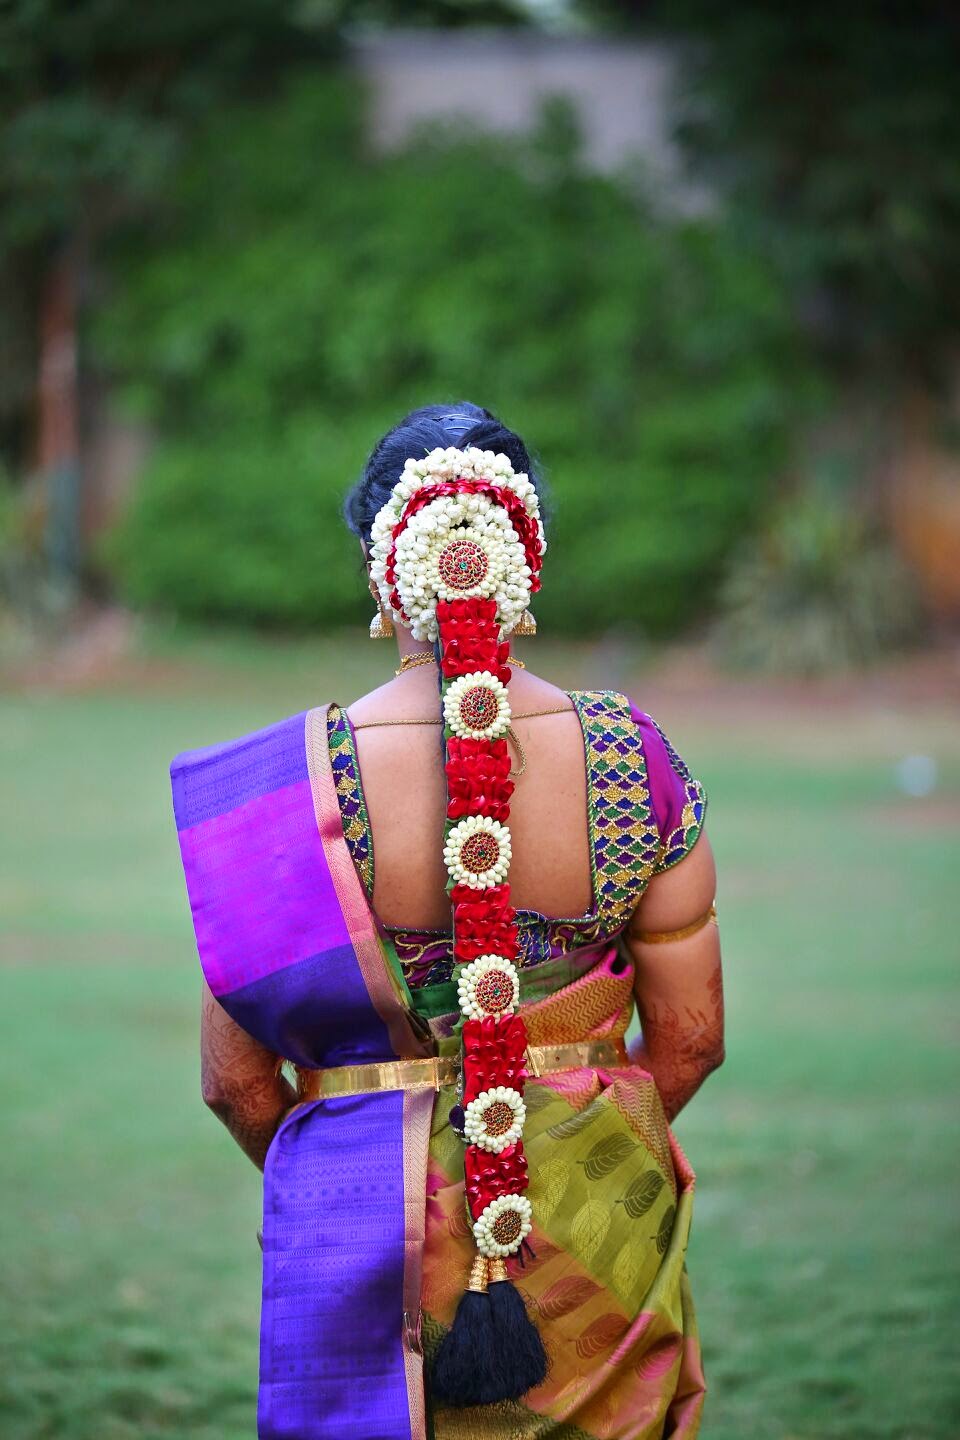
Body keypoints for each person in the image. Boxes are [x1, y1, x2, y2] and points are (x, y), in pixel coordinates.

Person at [172, 402, 725, 1440]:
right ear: (527, 564)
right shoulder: (633, 758)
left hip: (368, 1226)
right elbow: (692, 1041)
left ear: (386, 579)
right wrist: (568, 1146)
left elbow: (236, 1086)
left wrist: (355, 1182)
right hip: (599, 1229)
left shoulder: (277, 798)